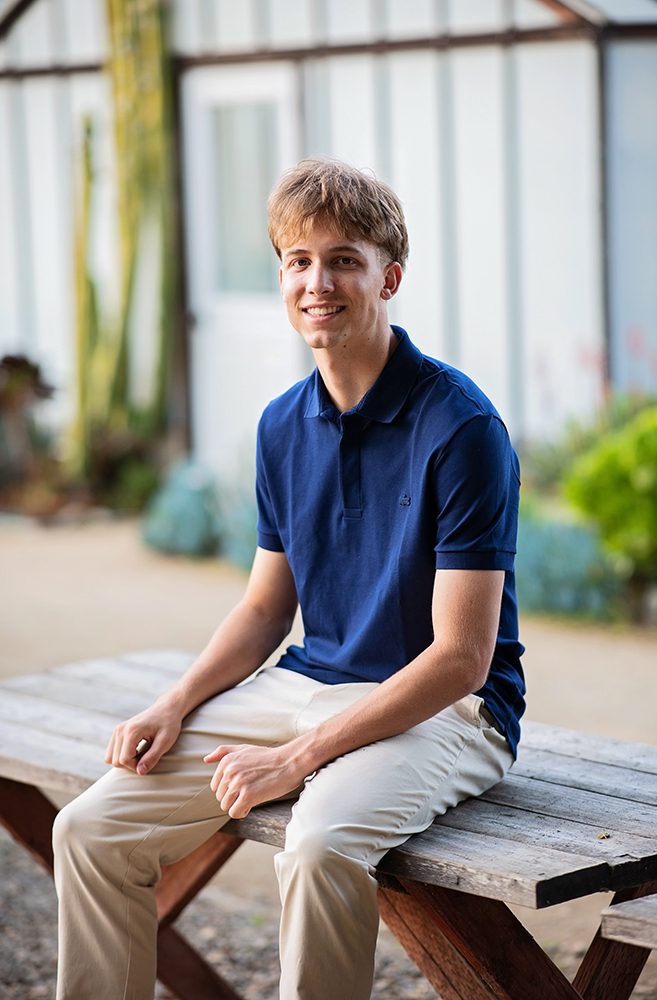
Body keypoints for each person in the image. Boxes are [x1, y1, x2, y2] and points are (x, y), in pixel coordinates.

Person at [53, 158, 525, 1000]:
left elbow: (462, 657)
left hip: (447, 710)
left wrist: (296, 759)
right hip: (311, 683)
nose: (318, 281)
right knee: (90, 829)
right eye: (297, 260)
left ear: (391, 276)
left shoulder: (461, 426)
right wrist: (176, 700)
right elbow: (267, 606)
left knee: (317, 846)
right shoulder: (280, 425)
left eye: (344, 258)